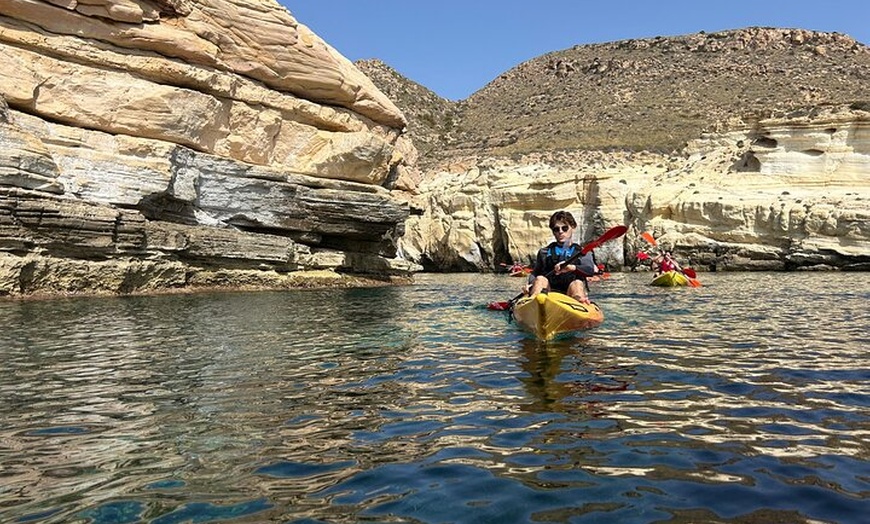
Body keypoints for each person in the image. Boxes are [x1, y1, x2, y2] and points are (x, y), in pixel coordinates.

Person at [524, 210, 597, 304]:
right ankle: (535, 302)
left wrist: (571, 267)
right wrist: (530, 284)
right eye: (556, 229)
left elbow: (589, 270)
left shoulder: (582, 252)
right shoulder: (544, 252)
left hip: (572, 293)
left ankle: (580, 302)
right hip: (549, 292)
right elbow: (535, 273)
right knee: (540, 279)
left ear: (573, 227)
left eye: (565, 228)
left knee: (577, 283)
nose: (560, 232)